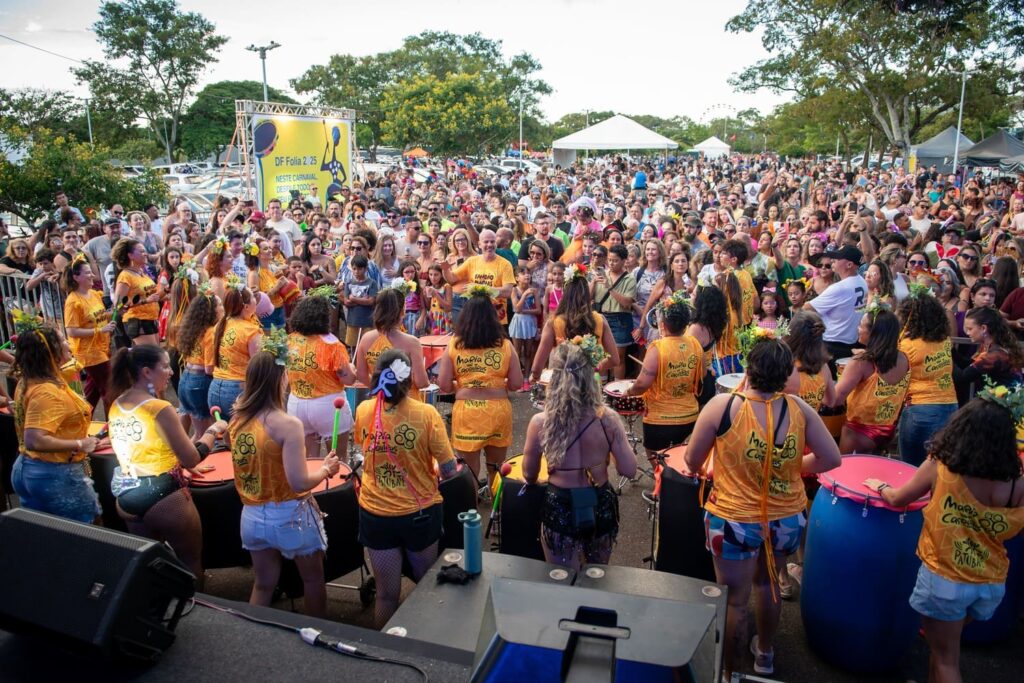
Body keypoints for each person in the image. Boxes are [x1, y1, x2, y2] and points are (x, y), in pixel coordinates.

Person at [685, 337, 841, 679]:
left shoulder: (722, 406)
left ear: (749, 368)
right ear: (786, 374)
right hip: (784, 518)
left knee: (736, 600)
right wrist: (791, 466)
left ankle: (729, 672)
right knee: (768, 585)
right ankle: (765, 657)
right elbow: (832, 458)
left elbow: (691, 460)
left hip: (732, 518)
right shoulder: (800, 409)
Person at [862, 390, 1024, 683]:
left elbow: (899, 498)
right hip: (990, 583)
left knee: (946, 658)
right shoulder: (1016, 483)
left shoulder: (941, 465)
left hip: (945, 580)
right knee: (943, 646)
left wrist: (881, 485)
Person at [229, 346, 341, 618]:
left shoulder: (237, 420)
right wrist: (326, 469)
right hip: (291, 516)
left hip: (252, 517)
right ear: (281, 379)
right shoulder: (287, 424)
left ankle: (250, 639)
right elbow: (300, 482)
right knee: (313, 581)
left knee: (263, 584)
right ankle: (314, 641)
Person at [107, 344, 227, 587]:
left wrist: (181, 464)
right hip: (162, 495)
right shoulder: (160, 408)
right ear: (146, 372)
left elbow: (146, 447)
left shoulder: (116, 402)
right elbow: (192, 457)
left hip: (127, 496)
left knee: (151, 562)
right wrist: (213, 431)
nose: (171, 371)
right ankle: (195, 613)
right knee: (190, 561)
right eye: (164, 366)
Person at [354, 348, 459, 626]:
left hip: (375, 514)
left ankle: (384, 651)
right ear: (410, 376)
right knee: (426, 589)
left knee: (386, 596)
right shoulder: (426, 414)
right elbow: (448, 470)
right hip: (419, 514)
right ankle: (429, 646)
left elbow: (364, 450)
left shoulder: (364, 410)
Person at [522, 342, 636, 570]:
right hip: (599, 502)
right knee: (597, 577)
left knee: (563, 581)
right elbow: (629, 470)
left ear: (554, 379)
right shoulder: (608, 419)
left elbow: (529, 474)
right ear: (590, 378)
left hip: (559, 504)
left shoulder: (540, 422)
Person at [10, 322, 100, 523]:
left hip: (30, 469)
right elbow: (34, 439)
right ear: (51, 352)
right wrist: (79, 444)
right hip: (52, 473)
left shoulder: (28, 380)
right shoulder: (46, 392)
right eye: (62, 341)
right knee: (80, 536)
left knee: (47, 537)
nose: (68, 344)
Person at [437, 289, 523, 482]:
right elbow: (517, 383)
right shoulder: (505, 345)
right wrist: (496, 384)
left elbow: (443, 384)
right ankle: (496, 510)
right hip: (498, 411)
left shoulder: (454, 344)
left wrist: (464, 386)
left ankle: (471, 509)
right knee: (497, 469)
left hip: (467, 413)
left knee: (469, 473)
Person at [624, 290, 703, 458]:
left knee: (655, 456)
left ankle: (664, 482)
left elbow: (642, 384)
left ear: (663, 324)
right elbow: (700, 374)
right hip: (690, 415)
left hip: (660, 419)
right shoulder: (695, 344)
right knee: (678, 457)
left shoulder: (657, 347)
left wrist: (629, 392)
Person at [286, 295, 357, 460]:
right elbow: (348, 379)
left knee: (309, 463)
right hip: (329, 406)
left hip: (297, 405)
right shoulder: (332, 345)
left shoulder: (290, 341)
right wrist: (351, 368)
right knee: (336, 461)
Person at [831, 308, 910, 453]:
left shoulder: (860, 362)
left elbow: (835, 399)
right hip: (888, 430)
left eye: (861, 325)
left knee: (847, 473)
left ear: (874, 333)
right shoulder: (904, 358)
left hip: (859, 432)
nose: (858, 329)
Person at [898, 288, 958, 467]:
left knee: (912, 468)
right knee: (939, 466)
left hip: (920, 409)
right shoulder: (944, 340)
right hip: (950, 406)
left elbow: (894, 377)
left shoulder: (907, 345)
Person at [530, 266, 617, 382]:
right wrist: (594, 367)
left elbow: (537, 367)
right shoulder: (600, 319)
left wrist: (534, 377)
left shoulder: (553, 323)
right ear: (587, 294)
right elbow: (614, 360)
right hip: (590, 383)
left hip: (561, 383)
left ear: (565, 294)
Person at [62, 255, 114, 412]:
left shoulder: (93, 294)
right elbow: (71, 330)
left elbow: (101, 317)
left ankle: (82, 418)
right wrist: (99, 331)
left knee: (92, 392)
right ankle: (112, 428)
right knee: (110, 390)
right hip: (89, 353)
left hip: (103, 347)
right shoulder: (72, 301)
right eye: (87, 272)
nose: (92, 275)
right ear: (76, 277)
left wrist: (115, 312)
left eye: (91, 272)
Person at [806, 245, 867, 370]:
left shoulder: (840, 288)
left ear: (849, 265)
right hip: (852, 340)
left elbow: (807, 308)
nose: (833, 260)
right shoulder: (861, 281)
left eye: (838, 258)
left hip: (833, 343)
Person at [354, 288, 430, 389]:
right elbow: (421, 382)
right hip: (406, 400)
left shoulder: (366, 339)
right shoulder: (412, 343)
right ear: (402, 311)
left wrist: (381, 388)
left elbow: (362, 376)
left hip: (379, 400)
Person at [208, 285, 262, 420]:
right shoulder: (251, 331)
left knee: (227, 436)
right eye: (253, 298)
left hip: (215, 389)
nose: (256, 299)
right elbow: (258, 367)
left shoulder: (220, 324)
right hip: (237, 391)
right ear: (246, 307)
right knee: (243, 438)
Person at [440, 228, 515, 326]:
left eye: (492, 241)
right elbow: (452, 278)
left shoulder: (505, 264)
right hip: (475, 315)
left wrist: (480, 288)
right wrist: (445, 270)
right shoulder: (472, 261)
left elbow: (508, 292)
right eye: (486, 242)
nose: (489, 245)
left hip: (495, 316)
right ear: (479, 244)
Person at [175, 288, 221, 437]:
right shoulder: (210, 332)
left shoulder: (193, 328)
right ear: (211, 311)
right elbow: (209, 369)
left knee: (198, 434)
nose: (223, 308)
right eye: (220, 305)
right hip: (199, 383)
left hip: (186, 379)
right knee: (205, 436)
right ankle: (190, 460)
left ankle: (185, 460)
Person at [591, 244, 636, 380]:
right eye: (609, 259)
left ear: (624, 261)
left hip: (620, 319)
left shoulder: (630, 278)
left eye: (615, 260)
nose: (611, 263)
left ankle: (616, 391)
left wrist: (609, 288)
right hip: (600, 317)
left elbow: (627, 303)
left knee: (618, 357)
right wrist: (593, 283)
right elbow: (587, 298)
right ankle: (601, 388)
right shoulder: (599, 274)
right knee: (600, 355)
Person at [111, 238, 162, 346]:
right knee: (153, 357)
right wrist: (145, 301)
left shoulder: (141, 273)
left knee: (155, 356)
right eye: (141, 251)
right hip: (137, 321)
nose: (145, 254)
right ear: (130, 256)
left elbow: (154, 295)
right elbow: (118, 304)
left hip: (151, 319)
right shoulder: (125, 276)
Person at [782, 311, 835, 411]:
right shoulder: (824, 367)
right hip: (812, 425)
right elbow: (830, 401)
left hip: (788, 425)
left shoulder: (785, 368)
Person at [245, 239, 287, 329]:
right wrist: (276, 287)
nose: (270, 250)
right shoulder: (254, 274)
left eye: (269, 247)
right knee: (269, 342)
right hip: (266, 316)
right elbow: (256, 301)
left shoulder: (274, 268)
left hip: (280, 311)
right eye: (266, 249)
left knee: (282, 341)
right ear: (258, 254)